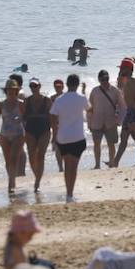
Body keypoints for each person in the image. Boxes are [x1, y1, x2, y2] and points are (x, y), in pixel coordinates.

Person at [51, 74, 89, 202]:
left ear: (67, 84)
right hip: (77, 136)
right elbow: (90, 110)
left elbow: (53, 117)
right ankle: (70, 194)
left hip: (63, 137)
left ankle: (68, 194)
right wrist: (84, 92)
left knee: (67, 166)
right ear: (77, 85)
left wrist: (54, 134)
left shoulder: (59, 100)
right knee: (74, 167)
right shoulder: (81, 98)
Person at [0, 79, 27, 194]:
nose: (11, 92)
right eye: (9, 90)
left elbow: (26, 118)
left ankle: (11, 183)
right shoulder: (1, 104)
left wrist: (21, 119)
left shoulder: (21, 104)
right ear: (6, 91)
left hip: (18, 134)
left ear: (16, 91)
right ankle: (11, 180)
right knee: (7, 160)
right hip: (4, 134)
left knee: (14, 158)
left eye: (13, 90)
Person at [112, 58, 135, 168]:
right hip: (132, 111)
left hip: (133, 111)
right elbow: (119, 88)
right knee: (131, 138)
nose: (120, 70)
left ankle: (116, 162)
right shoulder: (129, 80)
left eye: (122, 68)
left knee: (129, 138)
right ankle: (116, 161)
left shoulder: (133, 81)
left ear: (127, 69)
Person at [87, 70, 123, 170]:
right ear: (99, 79)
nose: (104, 81)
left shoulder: (115, 91)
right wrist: (89, 123)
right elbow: (90, 108)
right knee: (97, 144)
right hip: (96, 122)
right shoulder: (94, 91)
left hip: (110, 122)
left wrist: (119, 120)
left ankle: (112, 163)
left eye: (106, 79)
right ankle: (97, 164)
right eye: (102, 79)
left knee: (111, 144)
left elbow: (122, 107)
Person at [22, 78, 53, 191]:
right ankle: (37, 176)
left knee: (40, 155)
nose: (33, 88)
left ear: (40, 86)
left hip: (44, 130)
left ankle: (37, 182)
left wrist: (54, 133)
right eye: (31, 86)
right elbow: (23, 118)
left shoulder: (47, 100)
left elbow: (52, 118)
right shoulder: (27, 101)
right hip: (30, 130)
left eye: (35, 86)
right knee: (31, 156)